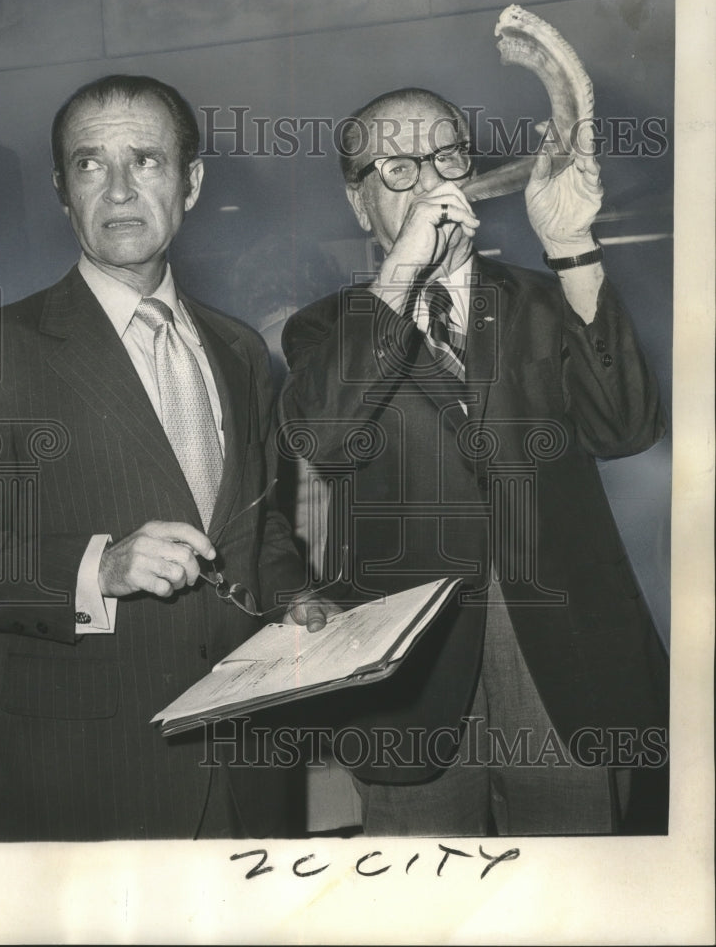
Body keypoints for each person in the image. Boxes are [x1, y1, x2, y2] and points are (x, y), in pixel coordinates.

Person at [0, 74, 330, 842]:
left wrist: (296, 600)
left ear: (190, 183)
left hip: (246, 759)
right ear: (62, 191)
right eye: (89, 164)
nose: (118, 189)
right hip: (83, 773)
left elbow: (260, 530)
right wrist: (101, 570)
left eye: (146, 160)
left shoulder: (242, 350)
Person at [279, 87, 670, 836]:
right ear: (358, 205)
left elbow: (625, 428)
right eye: (396, 168)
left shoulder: (546, 298)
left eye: (445, 157)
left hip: (565, 658)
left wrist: (571, 248)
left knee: (570, 897)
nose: (430, 182)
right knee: (419, 901)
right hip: (408, 674)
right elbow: (325, 437)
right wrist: (398, 272)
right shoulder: (324, 328)